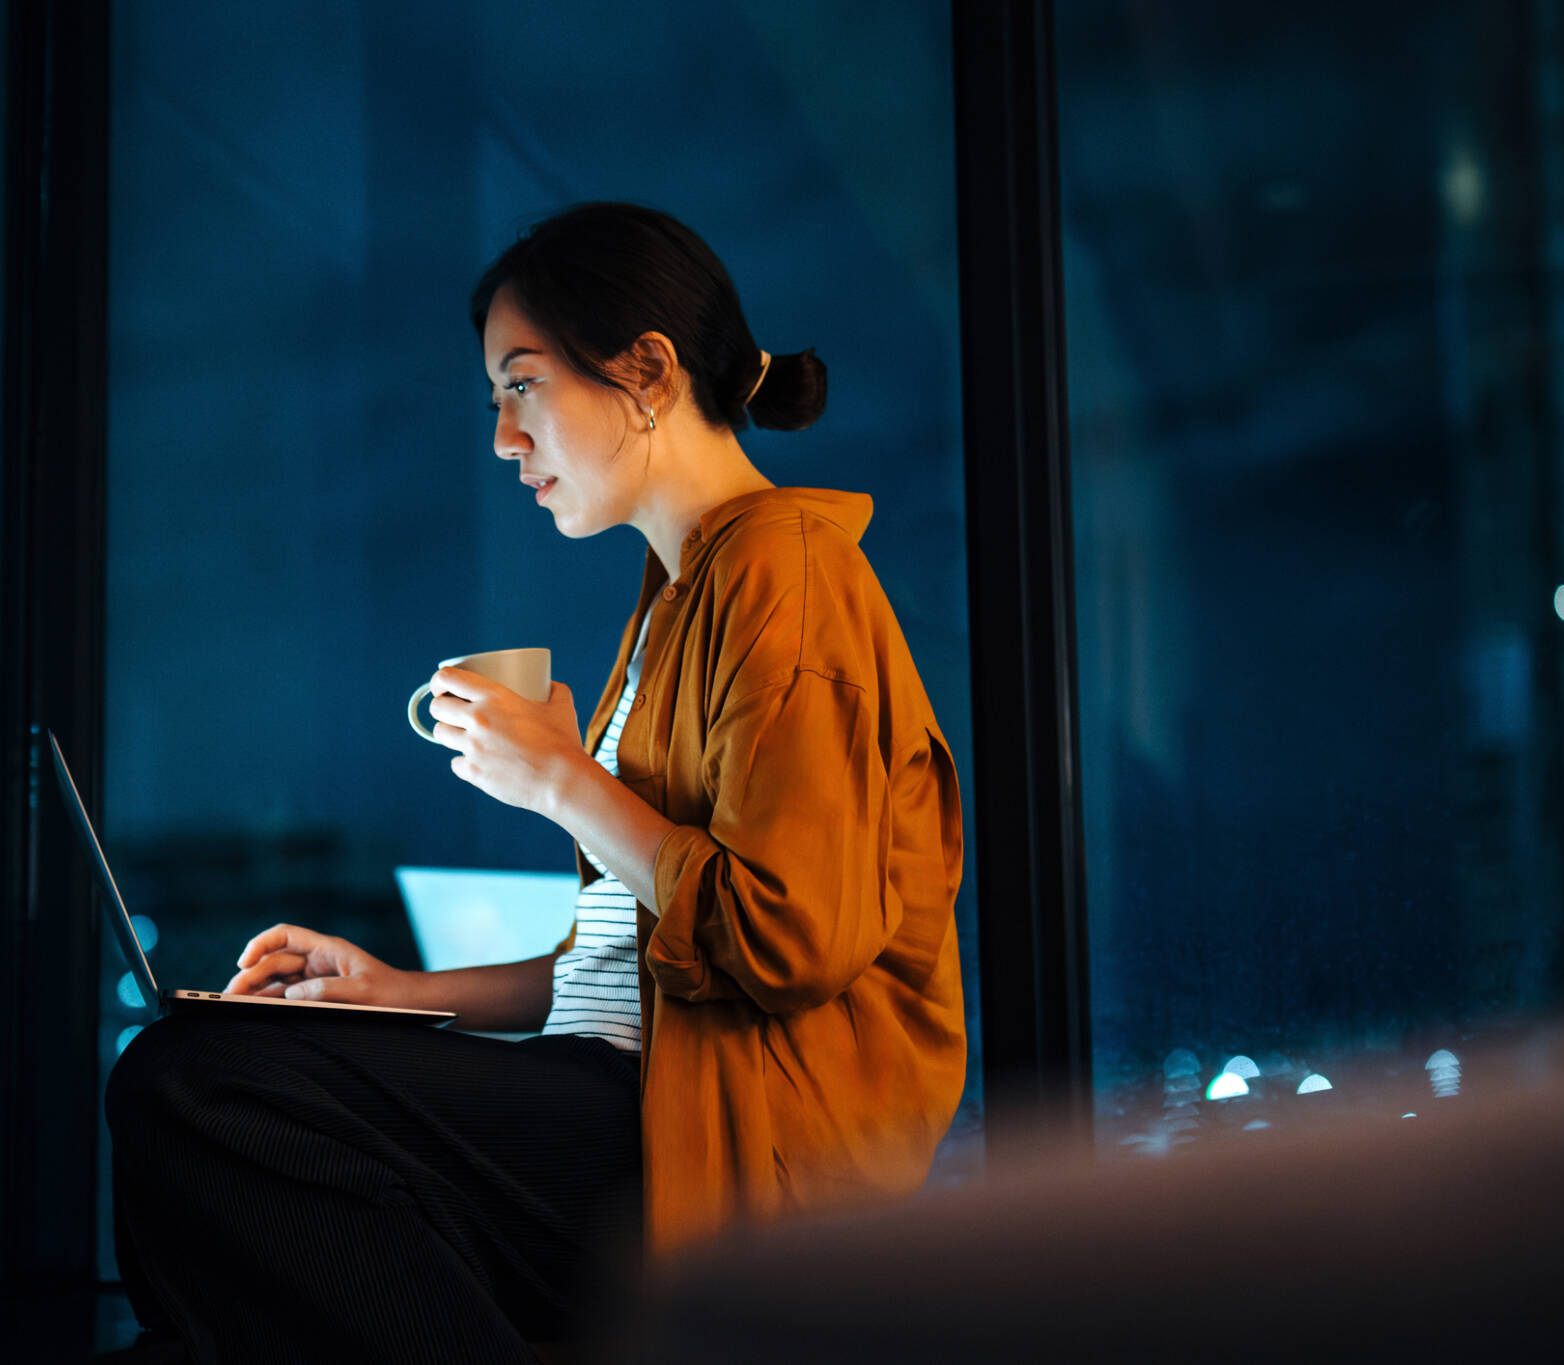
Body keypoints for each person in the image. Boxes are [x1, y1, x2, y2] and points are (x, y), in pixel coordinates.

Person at [105, 201, 967, 1364]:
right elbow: (629, 966)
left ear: (646, 371)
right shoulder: (672, 601)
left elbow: (789, 936)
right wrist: (389, 991)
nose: (505, 440)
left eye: (521, 386)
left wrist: (564, 782)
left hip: (737, 1146)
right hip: (637, 1100)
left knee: (196, 1088)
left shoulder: (784, 571)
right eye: (495, 401)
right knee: (203, 1241)